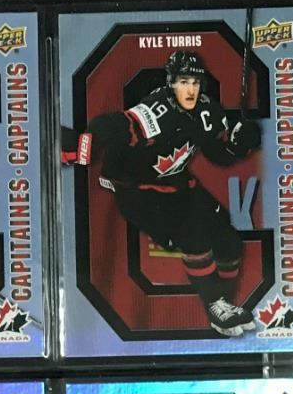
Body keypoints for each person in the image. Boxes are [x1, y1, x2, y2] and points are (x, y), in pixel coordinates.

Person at [64, 50, 262, 336]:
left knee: (229, 242)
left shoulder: (207, 111)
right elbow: (116, 124)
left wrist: (237, 145)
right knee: (194, 237)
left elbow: (218, 154)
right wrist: (85, 144)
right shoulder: (157, 110)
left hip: (177, 184)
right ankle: (215, 304)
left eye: (195, 82)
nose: (190, 90)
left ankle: (222, 304)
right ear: (171, 83)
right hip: (140, 194)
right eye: (183, 82)